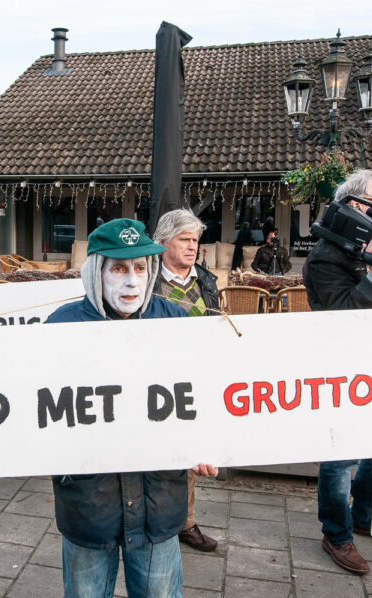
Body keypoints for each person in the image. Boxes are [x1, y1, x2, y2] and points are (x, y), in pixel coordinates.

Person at [45, 218, 218, 597]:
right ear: (96, 272)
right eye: (119, 268)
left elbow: (201, 395)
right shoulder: (58, 329)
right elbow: (31, 409)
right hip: (89, 506)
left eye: (140, 268)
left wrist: (205, 444)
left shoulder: (174, 322)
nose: (131, 281)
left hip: (158, 504)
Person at [303, 169, 372, 576]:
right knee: (339, 456)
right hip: (338, 368)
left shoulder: (364, 250)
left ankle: (364, 514)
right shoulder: (324, 259)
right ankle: (336, 532)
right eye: (371, 205)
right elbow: (345, 314)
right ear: (353, 207)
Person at [151, 209, 219, 553]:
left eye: (195, 240)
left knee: (190, 451)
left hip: (194, 377)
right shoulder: (146, 280)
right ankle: (154, 518)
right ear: (163, 243)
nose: (192, 247)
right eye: (184, 240)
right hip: (154, 377)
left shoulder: (207, 281)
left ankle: (186, 522)